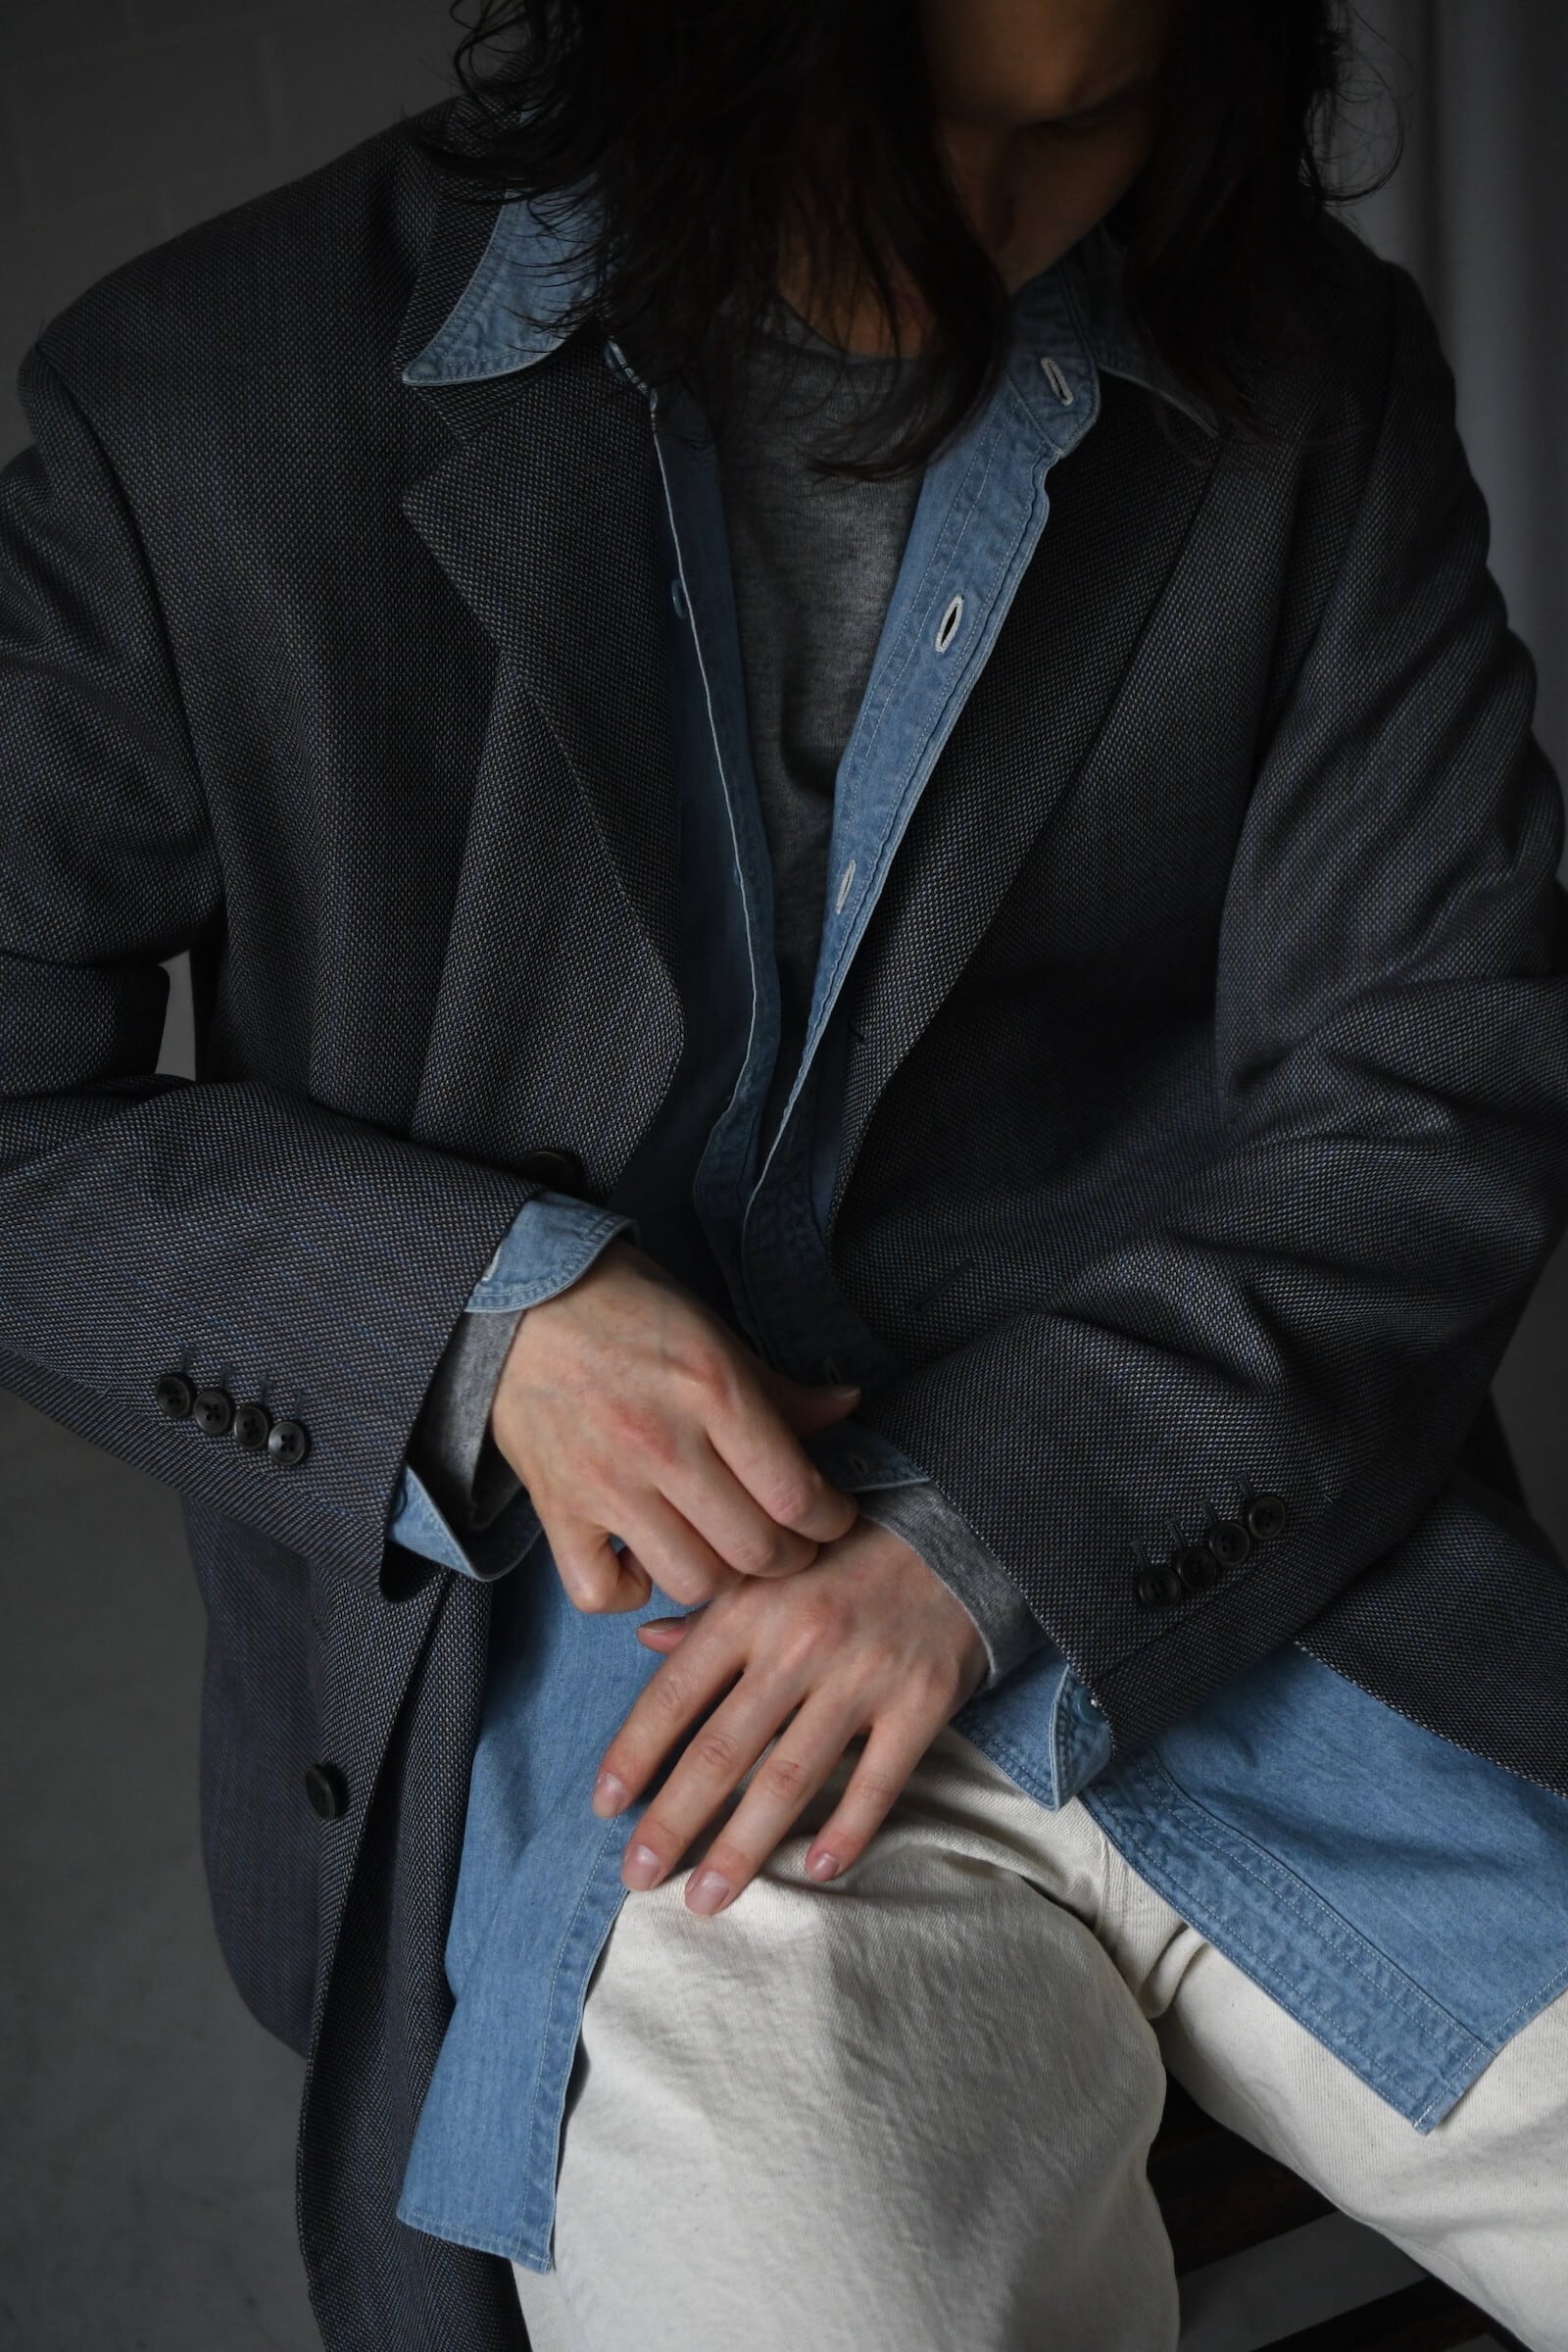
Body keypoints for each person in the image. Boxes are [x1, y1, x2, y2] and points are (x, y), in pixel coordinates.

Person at [3, 0, 1567, 2345]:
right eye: (915, 136)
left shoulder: (1303, 359)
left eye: (1087, 132)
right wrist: (478, 1323)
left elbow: (1432, 1071)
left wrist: (990, 1532)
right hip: (605, 1693)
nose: (984, 235)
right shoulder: (194, 400)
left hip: (1220, 1553)